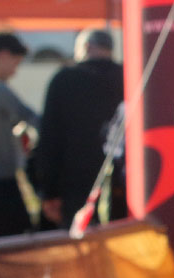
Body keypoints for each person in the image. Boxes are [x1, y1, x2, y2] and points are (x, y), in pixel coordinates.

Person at [37, 28, 125, 229]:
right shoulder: (129, 76)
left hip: (75, 185)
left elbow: (50, 138)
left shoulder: (64, 79)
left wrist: (49, 190)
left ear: (85, 47)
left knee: (81, 250)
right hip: (125, 183)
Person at [0, 32, 37, 237]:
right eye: (16, 63)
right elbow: (34, 119)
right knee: (16, 239)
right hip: (1, 184)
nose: (15, 71)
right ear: (2, 55)